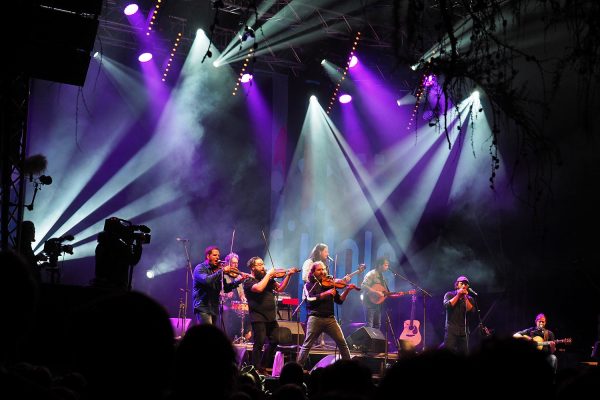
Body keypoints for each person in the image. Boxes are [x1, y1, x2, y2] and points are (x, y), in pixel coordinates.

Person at [296, 261, 359, 367]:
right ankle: (297, 368)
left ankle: (349, 368)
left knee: (342, 343)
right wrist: (326, 293)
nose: (322, 271)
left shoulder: (330, 284)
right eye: (319, 270)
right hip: (315, 318)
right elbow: (310, 299)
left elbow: (339, 300)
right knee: (307, 345)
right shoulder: (309, 285)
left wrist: (347, 290)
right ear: (313, 272)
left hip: (330, 319)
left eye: (323, 269)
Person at [243, 257, 298, 373]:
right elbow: (258, 288)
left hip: (270, 317)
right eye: (259, 265)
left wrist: (288, 275)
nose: (262, 266)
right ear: (252, 268)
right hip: (258, 316)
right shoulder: (249, 281)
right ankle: (255, 368)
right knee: (260, 342)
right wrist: (268, 274)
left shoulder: (266, 278)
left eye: (262, 264)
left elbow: (280, 288)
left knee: (275, 340)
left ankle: (262, 365)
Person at [192, 245, 246, 325]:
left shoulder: (217, 270)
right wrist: (222, 271)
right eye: (214, 255)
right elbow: (207, 281)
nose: (217, 257)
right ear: (208, 256)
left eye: (218, 255)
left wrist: (239, 280)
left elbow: (226, 288)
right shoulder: (200, 268)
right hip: (203, 307)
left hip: (214, 308)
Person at [441, 275, 474, 355]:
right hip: (451, 331)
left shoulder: (470, 298)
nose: (464, 286)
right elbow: (447, 306)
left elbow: (471, 311)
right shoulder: (449, 294)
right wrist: (458, 295)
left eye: (466, 284)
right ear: (457, 285)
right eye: (461, 283)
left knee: (464, 354)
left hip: (464, 332)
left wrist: (465, 297)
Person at [360, 257, 390, 329]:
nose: (387, 267)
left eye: (388, 265)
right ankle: (368, 340)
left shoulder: (382, 276)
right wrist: (376, 292)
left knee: (377, 325)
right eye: (386, 265)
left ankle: (376, 340)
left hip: (378, 303)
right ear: (380, 265)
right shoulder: (372, 274)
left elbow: (384, 291)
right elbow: (363, 285)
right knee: (369, 325)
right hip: (369, 302)